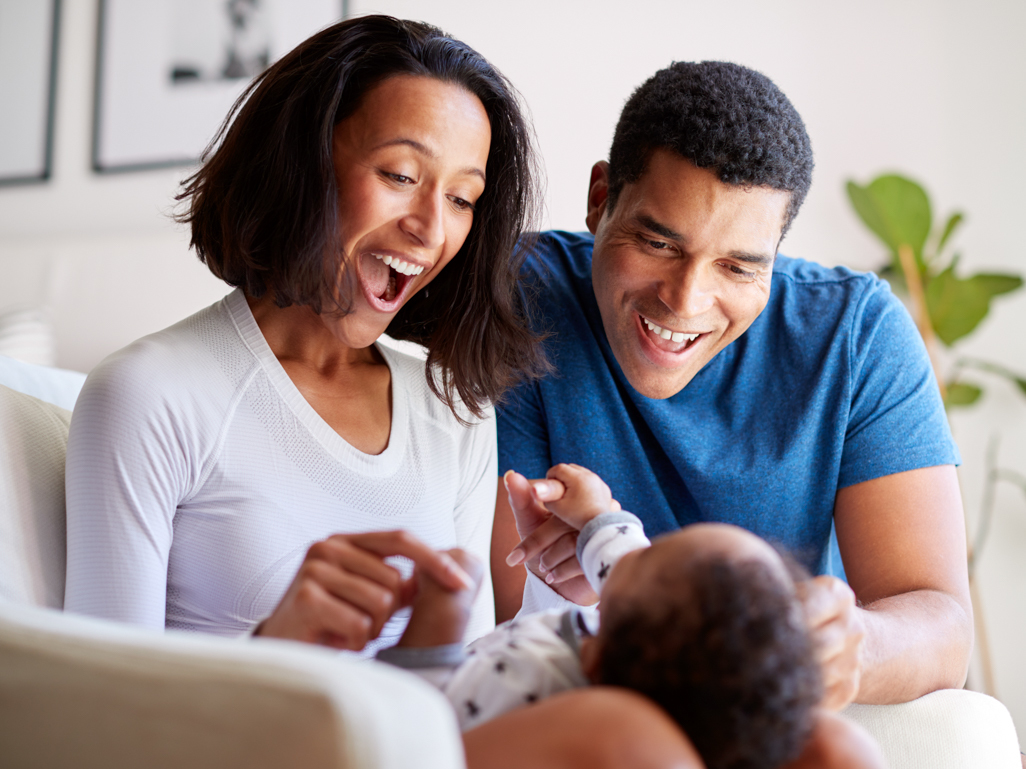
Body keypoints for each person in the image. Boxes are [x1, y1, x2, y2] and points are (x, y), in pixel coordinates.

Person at [492, 61, 973, 710]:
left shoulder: (855, 334)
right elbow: (505, 612)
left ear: (776, 254)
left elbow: (941, 623)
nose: (685, 301)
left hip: (776, 711)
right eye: (658, 243)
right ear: (600, 199)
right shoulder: (517, 298)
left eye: (738, 267)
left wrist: (850, 643)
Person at [64, 15, 547, 656]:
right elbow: (98, 713)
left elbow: (467, 695)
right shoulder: (149, 393)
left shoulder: (453, 406)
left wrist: (560, 592)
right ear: (302, 164)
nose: (432, 230)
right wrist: (277, 650)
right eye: (400, 176)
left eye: (462, 198)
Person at [380, 464, 885, 769]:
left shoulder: (537, 682)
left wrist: (437, 614)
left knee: (450, 588)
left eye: (649, 551)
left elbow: (419, 730)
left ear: (596, 658)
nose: (632, 548)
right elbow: (626, 568)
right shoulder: (673, 651)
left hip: (430, 715)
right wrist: (599, 515)